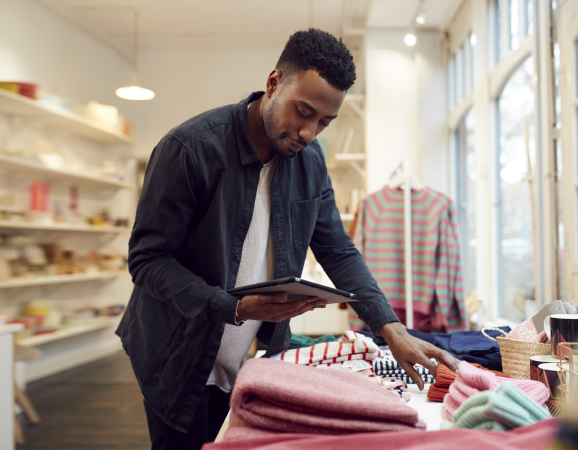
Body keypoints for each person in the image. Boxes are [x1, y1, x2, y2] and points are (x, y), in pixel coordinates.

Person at [116, 28, 459, 450]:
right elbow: (148, 260)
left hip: (251, 355)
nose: (309, 133)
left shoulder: (310, 161)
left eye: (325, 122)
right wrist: (235, 307)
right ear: (274, 82)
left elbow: (337, 249)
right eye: (303, 112)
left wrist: (390, 328)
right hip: (177, 353)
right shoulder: (189, 149)